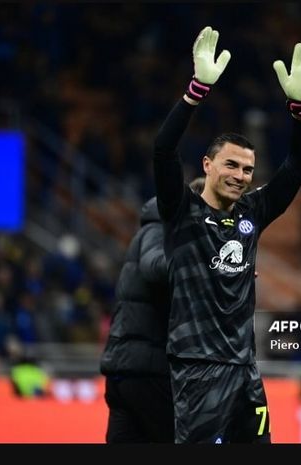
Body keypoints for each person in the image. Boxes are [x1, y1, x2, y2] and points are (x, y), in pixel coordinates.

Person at [153, 26, 301, 443]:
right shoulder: (182, 210)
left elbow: (299, 163)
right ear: (208, 165)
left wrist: (300, 109)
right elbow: (162, 149)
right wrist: (196, 91)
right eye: (231, 165)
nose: (241, 176)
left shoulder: (255, 210)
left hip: (245, 369)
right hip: (198, 364)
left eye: (247, 169)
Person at [99, 179, 205, 443]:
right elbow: (154, 267)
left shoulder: (160, 229)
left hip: (128, 369)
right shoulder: (162, 228)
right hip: (149, 372)